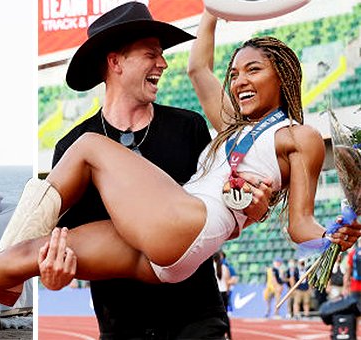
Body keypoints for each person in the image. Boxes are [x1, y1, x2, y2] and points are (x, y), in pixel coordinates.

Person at [0, 5, 361, 319]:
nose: (239, 80)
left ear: (284, 77)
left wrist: (333, 233)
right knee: (29, 254)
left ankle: (4, 269)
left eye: (254, 71)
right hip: (155, 267)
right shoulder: (231, 129)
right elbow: (203, 63)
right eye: (237, 72)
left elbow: (300, 225)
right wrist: (217, 11)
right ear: (114, 62)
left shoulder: (297, 136)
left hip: (192, 247)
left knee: (89, 151)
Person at [40, 2, 273, 338]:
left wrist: (253, 209)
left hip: (197, 322)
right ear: (115, 62)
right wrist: (56, 274)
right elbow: (69, 247)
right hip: (122, 328)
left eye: (161, 54)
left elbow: (219, 222)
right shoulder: (70, 148)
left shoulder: (189, 127)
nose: (163, 63)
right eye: (151, 54)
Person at [213, 252, 232, 338]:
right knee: (225, 315)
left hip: (215, 293)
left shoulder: (211, 267)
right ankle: (228, 335)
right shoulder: (224, 267)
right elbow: (228, 281)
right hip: (224, 293)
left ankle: (218, 335)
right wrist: (227, 292)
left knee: (215, 316)